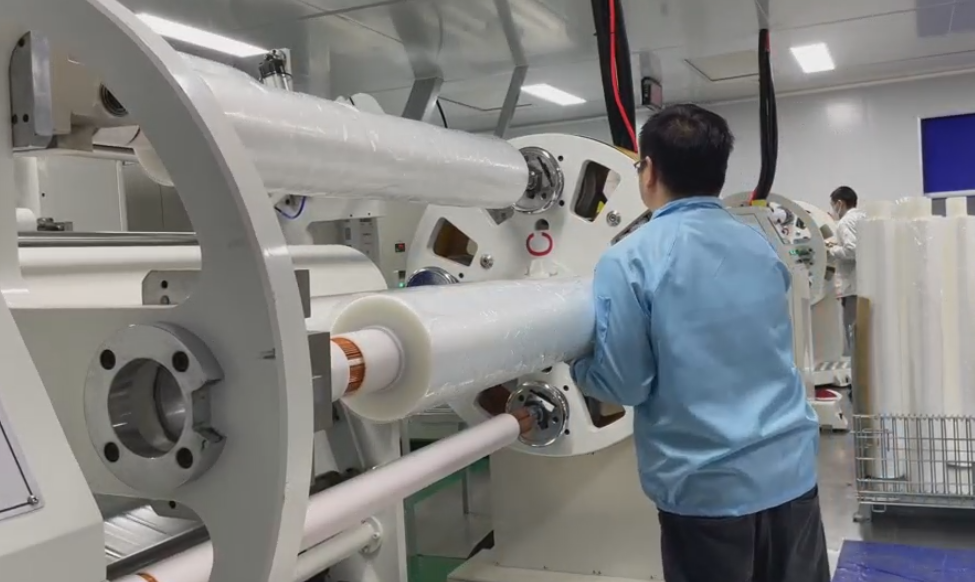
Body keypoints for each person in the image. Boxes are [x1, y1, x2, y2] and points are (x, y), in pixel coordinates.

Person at [570, 104, 828, 582]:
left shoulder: (628, 261)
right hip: (791, 473)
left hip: (707, 491)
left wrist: (577, 366)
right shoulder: (760, 246)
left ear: (649, 170)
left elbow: (625, 385)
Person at [827, 186, 865, 355]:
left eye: (832, 205)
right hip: (866, 285)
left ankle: (856, 370)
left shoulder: (844, 223)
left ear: (840, 203)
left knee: (853, 331)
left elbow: (852, 250)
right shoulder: (864, 218)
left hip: (852, 287)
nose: (833, 210)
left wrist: (832, 250)